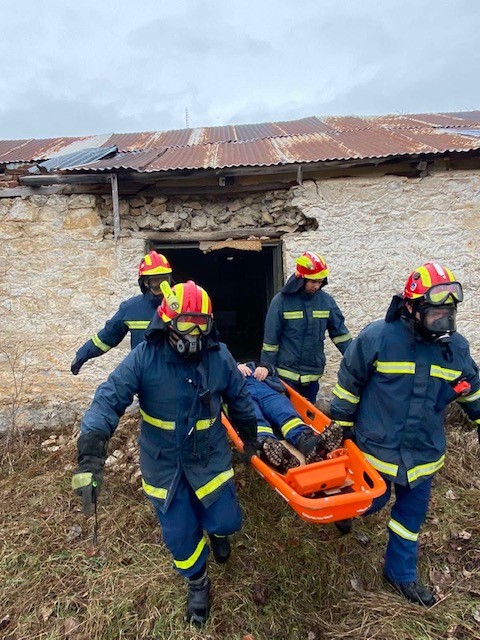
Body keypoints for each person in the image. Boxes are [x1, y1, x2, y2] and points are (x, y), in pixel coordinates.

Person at [71, 281, 259, 626]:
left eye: (202, 323)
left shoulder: (219, 357)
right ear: (168, 321)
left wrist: (250, 438)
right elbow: (108, 399)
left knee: (226, 520)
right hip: (164, 462)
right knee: (180, 535)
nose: (195, 332)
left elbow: (240, 399)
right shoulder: (144, 358)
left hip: (210, 456)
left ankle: (218, 534)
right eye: (187, 323)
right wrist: (91, 452)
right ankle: (198, 583)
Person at [330, 262, 480, 607]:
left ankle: (400, 575)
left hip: (424, 453)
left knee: (409, 520)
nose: (444, 320)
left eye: (449, 311)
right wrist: (342, 425)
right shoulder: (377, 337)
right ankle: (343, 513)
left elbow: (472, 389)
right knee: (372, 502)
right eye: (435, 312)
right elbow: (350, 381)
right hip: (376, 449)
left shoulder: (455, 348)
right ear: (411, 307)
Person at [261, 251, 352, 404]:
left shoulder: (326, 301)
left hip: (313, 375)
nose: (317, 286)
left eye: (320, 282)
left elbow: (341, 336)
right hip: (286, 375)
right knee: (289, 418)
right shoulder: (281, 302)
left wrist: (357, 359)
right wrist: (266, 368)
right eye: (313, 282)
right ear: (301, 278)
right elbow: (271, 340)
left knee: (310, 420)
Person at [71, 251, 173, 375]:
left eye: (164, 279)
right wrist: (82, 354)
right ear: (145, 282)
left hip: (174, 373)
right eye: (155, 281)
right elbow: (108, 336)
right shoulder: (131, 308)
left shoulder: (183, 304)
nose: (160, 285)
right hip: (145, 375)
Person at [237, 361, 343, 472]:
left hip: (264, 385)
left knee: (284, 411)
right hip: (238, 389)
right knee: (252, 415)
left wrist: (266, 368)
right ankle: (266, 445)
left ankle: (307, 443)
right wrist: (233, 368)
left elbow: (273, 368)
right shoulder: (223, 361)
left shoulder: (254, 361)